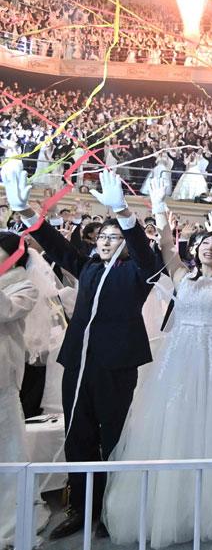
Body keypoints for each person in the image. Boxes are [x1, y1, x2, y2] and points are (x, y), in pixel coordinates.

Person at [102, 179, 212, 548]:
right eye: (205, 242)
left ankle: (208, 500)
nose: (210, 247)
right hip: (178, 359)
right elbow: (165, 246)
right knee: (171, 422)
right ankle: (165, 498)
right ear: (197, 248)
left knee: (210, 425)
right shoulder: (182, 276)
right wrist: (159, 206)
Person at [1, 163, 159, 539]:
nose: (105, 241)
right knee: (78, 436)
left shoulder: (138, 272)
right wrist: (26, 212)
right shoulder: (87, 266)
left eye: (113, 236)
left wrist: (124, 214)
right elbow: (57, 245)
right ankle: (81, 508)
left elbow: (145, 254)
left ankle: (111, 508)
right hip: (79, 363)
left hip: (116, 365)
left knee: (113, 437)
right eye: (101, 236)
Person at [0, 231, 40, 547]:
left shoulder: (24, 285)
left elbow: (6, 312)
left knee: (8, 453)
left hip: (3, 383)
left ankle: (10, 528)